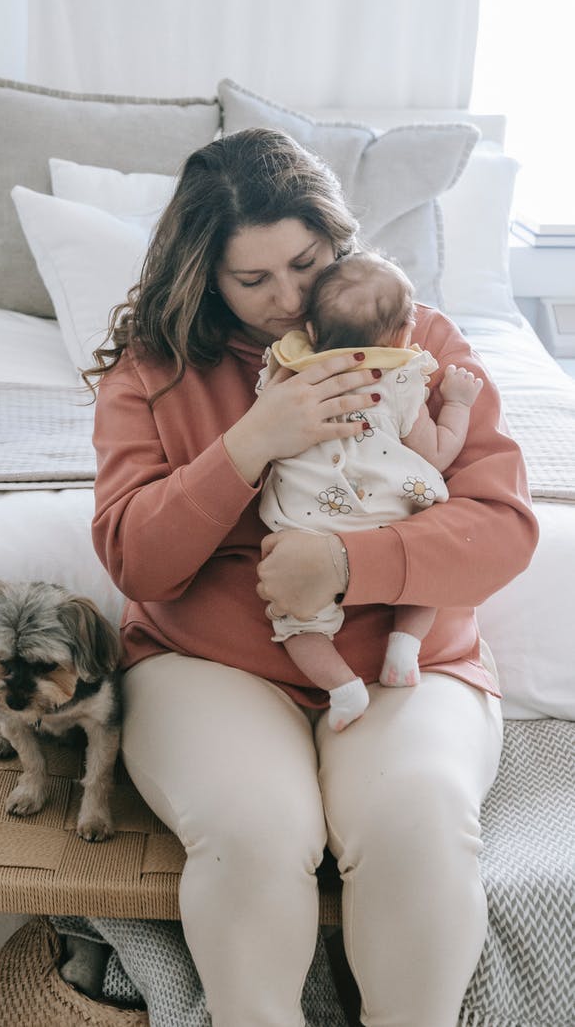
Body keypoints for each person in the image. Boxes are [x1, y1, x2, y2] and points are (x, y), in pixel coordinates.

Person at [87, 128, 537, 1027]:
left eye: (305, 264)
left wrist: (342, 565)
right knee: (253, 834)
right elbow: (135, 559)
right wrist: (250, 444)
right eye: (252, 280)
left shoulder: (416, 340)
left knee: (416, 825)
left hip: (406, 659)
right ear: (204, 277)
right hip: (209, 663)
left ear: (336, 238)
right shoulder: (155, 370)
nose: (289, 301)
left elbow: (501, 528)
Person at [257, 250, 484, 731]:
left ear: (311, 331)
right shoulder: (401, 381)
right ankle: (403, 648)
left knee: (298, 624)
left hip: (307, 530)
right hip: (389, 518)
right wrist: (458, 404)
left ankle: (343, 689)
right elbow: (436, 454)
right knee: (429, 569)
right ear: (403, 336)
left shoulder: (289, 374)